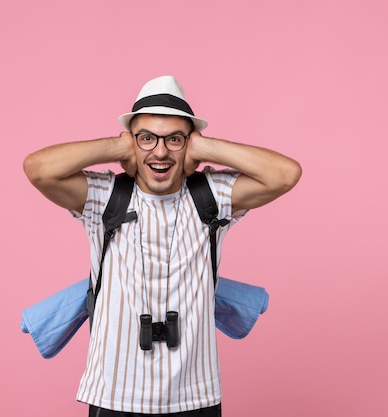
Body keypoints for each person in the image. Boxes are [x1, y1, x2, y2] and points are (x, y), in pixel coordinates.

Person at [23, 75, 302, 417]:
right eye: (147, 138)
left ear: (189, 144)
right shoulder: (104, 196)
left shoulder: (211, 196)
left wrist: (203, 147)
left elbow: (285, 174)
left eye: (173, 139)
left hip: (194, 395)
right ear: (132, 143)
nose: (160, 151)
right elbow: (38, 169)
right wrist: (118, 146)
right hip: (114, 394)